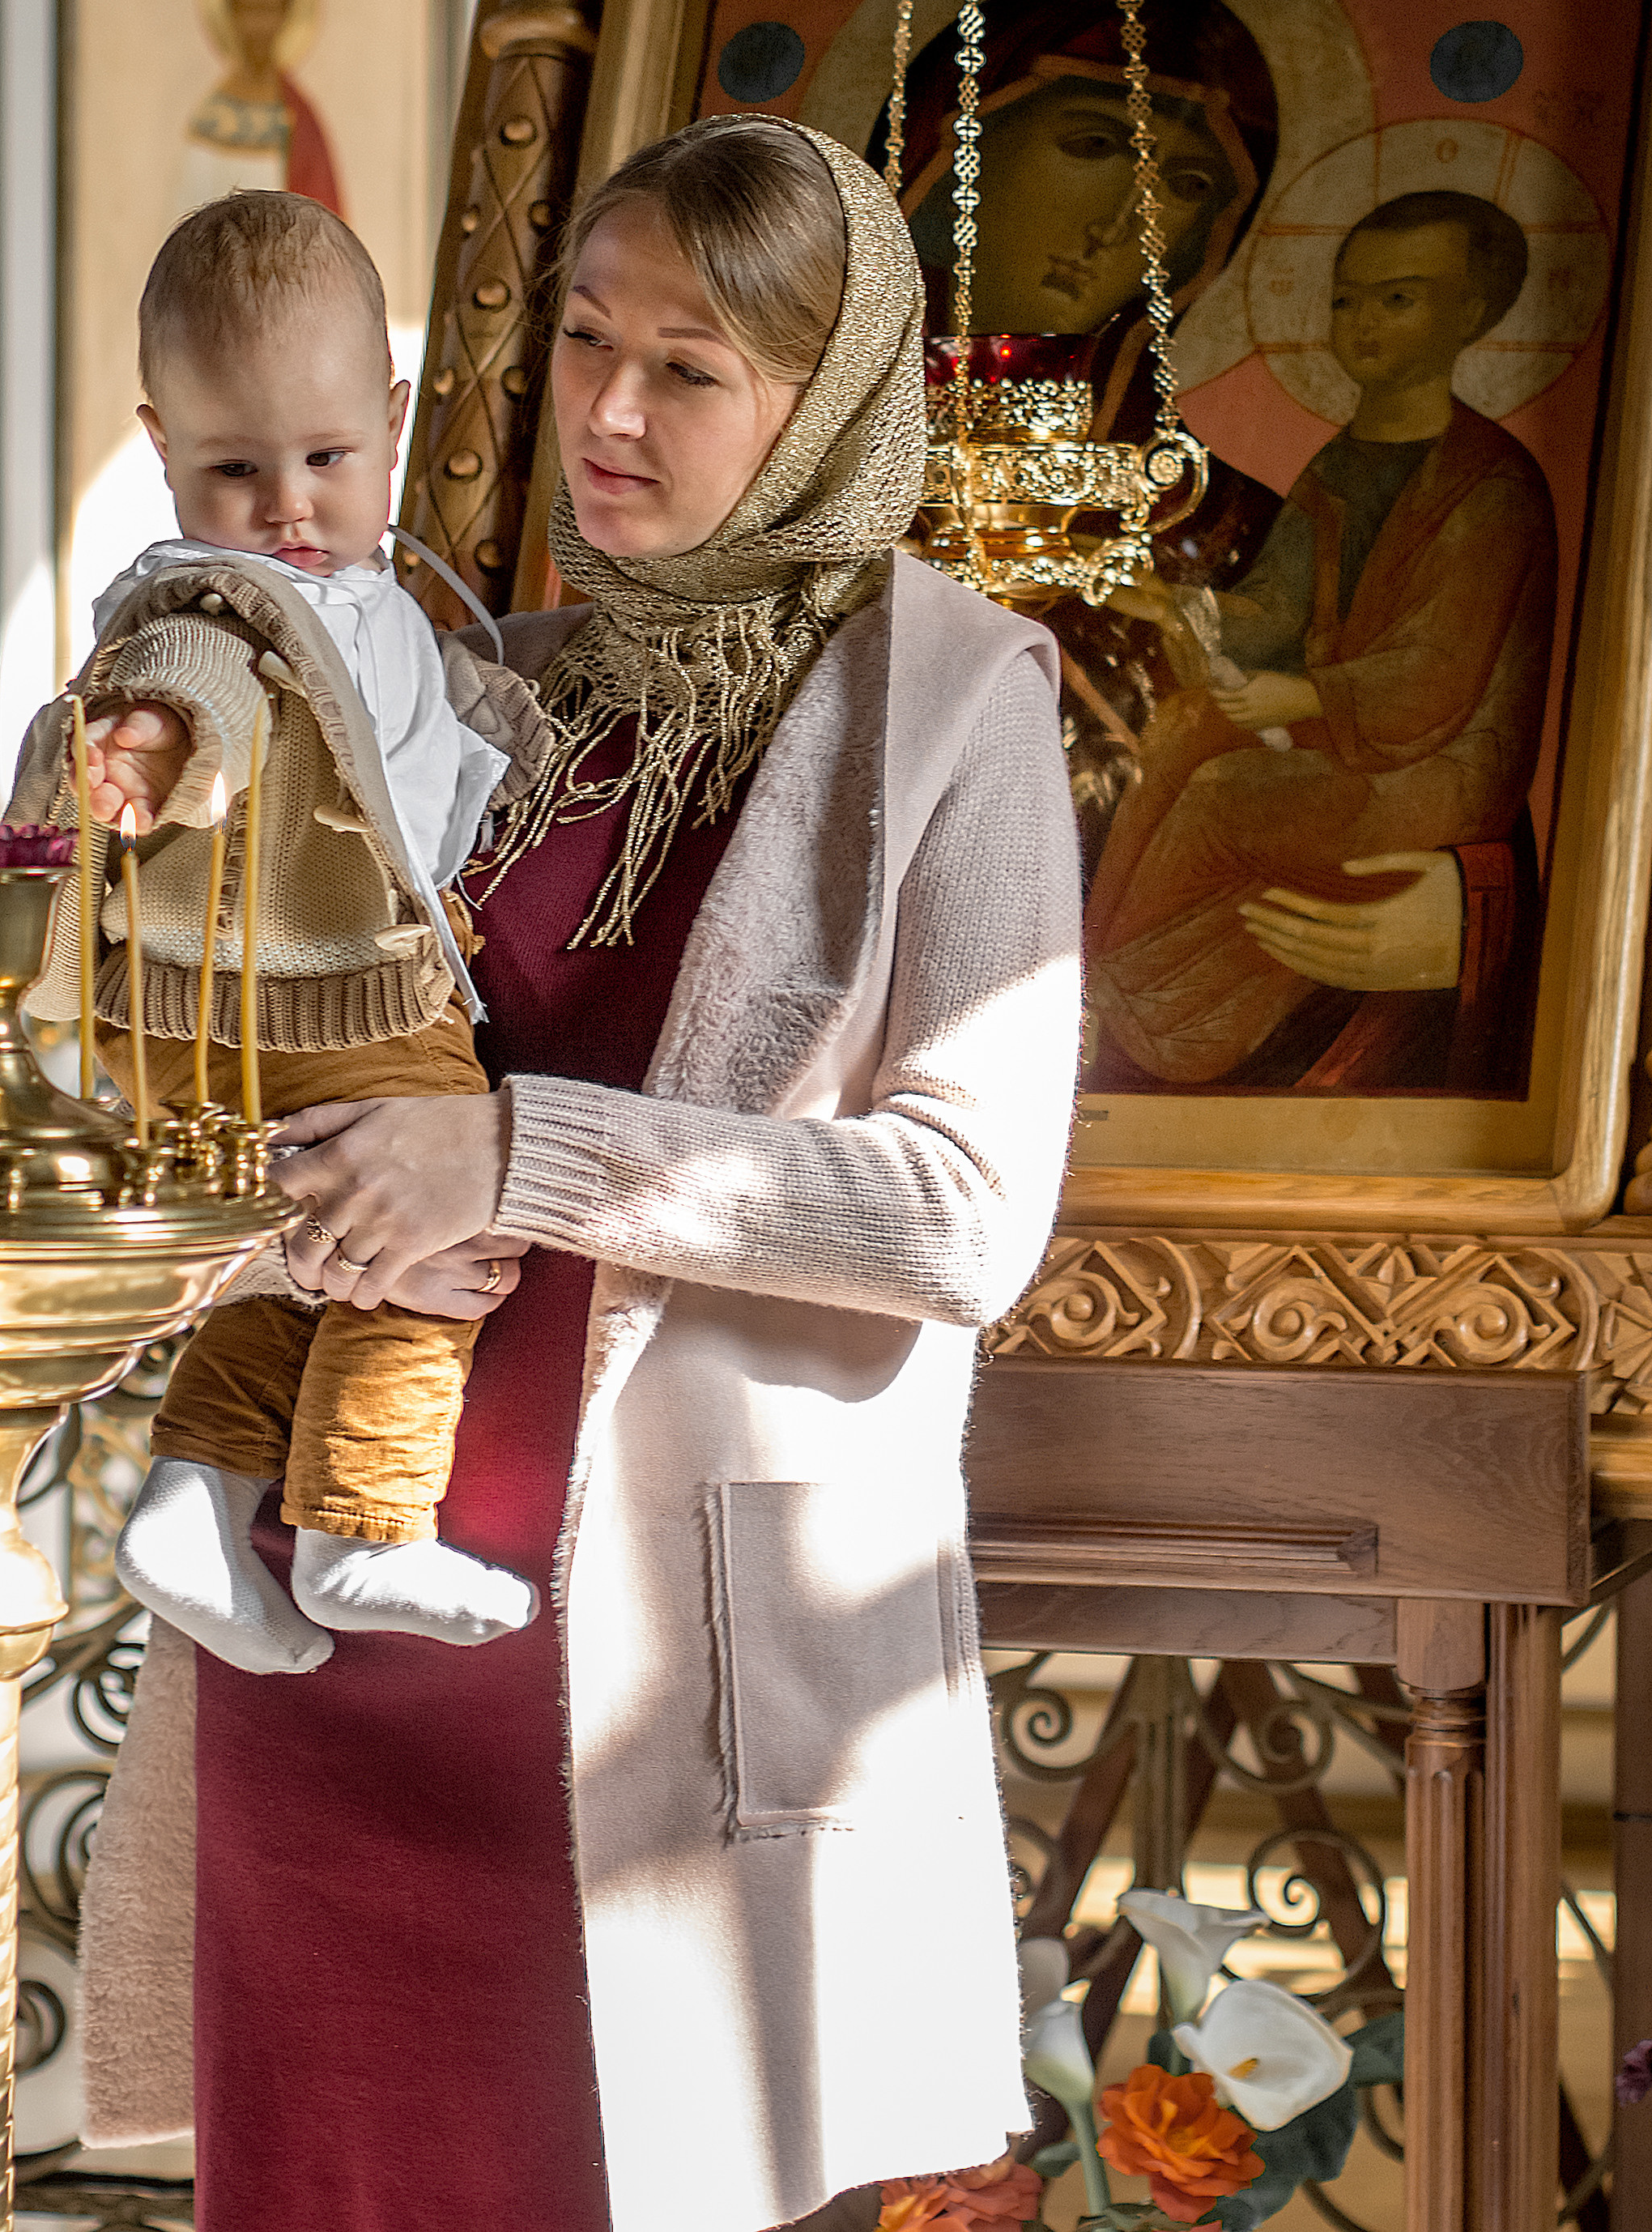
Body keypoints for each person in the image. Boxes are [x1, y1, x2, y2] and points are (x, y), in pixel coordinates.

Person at [76, 117, 1083, 2232]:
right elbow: (248, 1065)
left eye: (690, 366)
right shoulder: (469, 685)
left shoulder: (954, 704)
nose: (607, 409)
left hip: (650, 1686)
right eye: (584, 338)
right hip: (326, 1642)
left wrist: (516, 1154)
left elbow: (962, 1210)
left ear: (825, 396)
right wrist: (295, 1197)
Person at [10, 190, 550, 1660]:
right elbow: (210, 682)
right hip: (299, 988)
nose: (288, 506)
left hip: (229, 1008)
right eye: (233, 466)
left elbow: (429, 731)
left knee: (321, 1239)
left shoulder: (370, 597)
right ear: (160, 447)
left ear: (390, 414)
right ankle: (364, 1528)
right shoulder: (215, 598)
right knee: (451, 1204)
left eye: (325, 457)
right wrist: (160, 747)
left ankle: (191, 1501)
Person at [1086, 188, 1555, 1088]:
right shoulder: (1339, 464)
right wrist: (1186, 608)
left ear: (1472, 314)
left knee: (1224, 794)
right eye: (1347, 299)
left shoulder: (1491, 488)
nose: (1362, 323)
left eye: (1397, 298)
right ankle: (1099, 970)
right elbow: (1277, 612)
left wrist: (1301, 695)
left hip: (1433, 770)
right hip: (1350, 742)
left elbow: (1435, 676)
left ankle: (1127, 1003)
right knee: (1181, 727)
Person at [181, 0, 344, 215]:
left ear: (286, 12)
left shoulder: (299, 120)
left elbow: (324, 235)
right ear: (231, 11)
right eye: (249, 9)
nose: (259, 26)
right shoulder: (211, 117)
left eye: (268, 9)